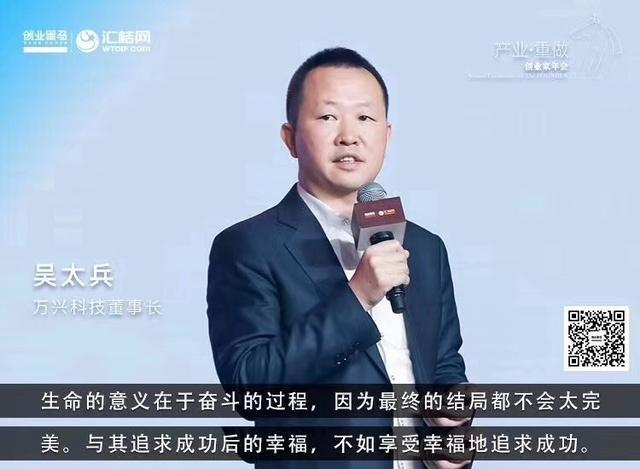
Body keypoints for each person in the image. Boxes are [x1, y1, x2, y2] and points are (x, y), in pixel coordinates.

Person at [207, 47, 470, 469]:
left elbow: (444, 365)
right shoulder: (248, 246)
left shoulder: (424, 247)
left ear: (387, 135)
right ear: (290, 138)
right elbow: (249, 388)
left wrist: (454, 433)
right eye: (328, 116)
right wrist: (358, 295)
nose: (349, 135)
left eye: (365, 117)